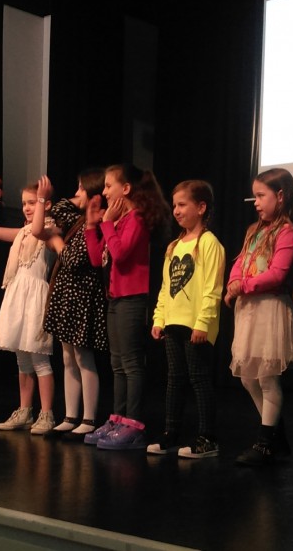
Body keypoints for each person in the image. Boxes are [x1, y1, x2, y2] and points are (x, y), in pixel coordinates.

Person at [83, 164, 170, 450]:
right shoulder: (119, 221)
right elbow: (97, 259)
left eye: (109, 186)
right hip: (116, 298)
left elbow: (120, 254)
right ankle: (118, 419)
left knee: (131, 363)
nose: (105, 191)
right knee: (117, 362)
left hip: (133, 298)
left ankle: (134, 424)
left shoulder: (137, 218)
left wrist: (107, 223)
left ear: (127, 188)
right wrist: (93, 225)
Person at [225, 168, 293, 466]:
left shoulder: (287, 232)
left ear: (280, 196)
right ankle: (276, 435)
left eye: (261, 196)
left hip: (269, 308)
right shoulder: (254, 231)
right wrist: (233, 283)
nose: (255, 202)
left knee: (267, 377)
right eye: (254, 196)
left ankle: (265, 441)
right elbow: (241, 262)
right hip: (249, 309)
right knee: (248, 377)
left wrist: (243, 286)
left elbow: (277, 274)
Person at [148, 180, 225, 458]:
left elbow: (213, 288)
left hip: (196, 326)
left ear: (201, 208)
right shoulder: (174, 246)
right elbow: (165, 287)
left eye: (182, 204)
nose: (176, 211)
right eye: (175, 205)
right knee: (175, 378)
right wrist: (159, 318)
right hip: (173, 322)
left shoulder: (209, 243)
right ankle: (171, 432)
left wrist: (202, 323)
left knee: (199, 378)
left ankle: (207, 438)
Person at [31, 171, 109, 440]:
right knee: (67, 357)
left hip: (83, 296)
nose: (76, 193)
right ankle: (70, 416)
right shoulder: (74, 217)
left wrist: (56, 242)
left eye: (81, 188)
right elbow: (43, 224)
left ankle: (88, 418)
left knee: (83, 357)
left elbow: (75, 260)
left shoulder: (96, 224)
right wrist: (43, 199)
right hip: (66, 295)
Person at [0, 177, 57, 435]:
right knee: (22, 360)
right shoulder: (22, 232)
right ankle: (25, 410)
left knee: (39, 358)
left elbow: (38, 229)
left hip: (35, 296)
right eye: (24, 203)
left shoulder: (50, 229)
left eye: (32, 202)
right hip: (17, 295)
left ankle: (46, 413)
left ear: (46, 204)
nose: (26, 207)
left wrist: (42, 199)